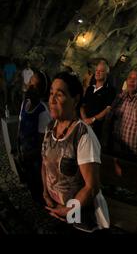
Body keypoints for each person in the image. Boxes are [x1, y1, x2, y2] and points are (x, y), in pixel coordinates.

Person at [41, 72, 109, 232]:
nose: (51, 100)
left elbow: (92, 187)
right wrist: (45, 193)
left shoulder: (83, 135)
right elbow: (45, 163)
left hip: (78, 212)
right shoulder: (50, 128)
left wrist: (67, 211)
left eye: (59, 95)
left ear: (75, 100)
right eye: (51, 93)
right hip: (55, 206)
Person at [16, 70, 51, 203]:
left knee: (37, 181)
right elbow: (20, 126)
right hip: (25, 152)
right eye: (30, 83)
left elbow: (43, 144)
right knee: (29, 179)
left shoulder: (42, 112)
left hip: (35, 157)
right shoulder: (25, 103)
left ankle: (42, 202)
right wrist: (18, 147)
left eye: (34, 85)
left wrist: (29, 155)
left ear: (41, 90)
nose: (30, 87)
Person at [80, 60, 116, 138]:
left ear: (106, 74)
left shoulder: (110, 90)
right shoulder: (90, 88)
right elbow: (82, 105)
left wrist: (92, 120)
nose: (97, 72)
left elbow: (107, 109)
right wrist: (85, 119)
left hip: (97, 127)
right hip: (83, 124)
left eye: (101, 71)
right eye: (96, 70)